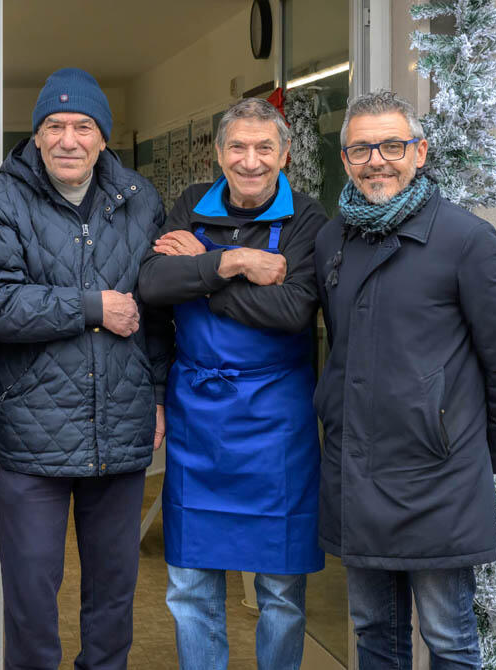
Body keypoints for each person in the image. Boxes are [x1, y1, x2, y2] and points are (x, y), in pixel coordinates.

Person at [315, 90, 496, 668]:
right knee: (373, 633)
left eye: (392, 145)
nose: (377, 160)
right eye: (361, 148)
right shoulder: (331, 241)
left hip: (438, 482)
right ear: (344, 160)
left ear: (420, 153)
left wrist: (471, 451)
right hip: (358, 474)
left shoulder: (467, 241)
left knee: (449, 639)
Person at [0, 67, 170, 670]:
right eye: (54, 126)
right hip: (36, 435)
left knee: (113, 597)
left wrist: (156, 394)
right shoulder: (0, 201)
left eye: (83, 126)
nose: (68, 139)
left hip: (123, 427)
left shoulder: (140, 200)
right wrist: (93, 307)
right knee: (30, 596)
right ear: (35, 135)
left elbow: (156, 315)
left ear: (103, 137)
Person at [135, 97, 328, 670]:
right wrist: (236, 262)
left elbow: (292, 310)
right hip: (199, 415)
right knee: (191, 590)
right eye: (237, 147)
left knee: (281, 595)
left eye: (264, 147)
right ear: (218, 153)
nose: (250, 160)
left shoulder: (307, 219)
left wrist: (201, 269)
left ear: (285, 154)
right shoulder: (191, 203)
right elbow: (152, 283)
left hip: (278, 421)